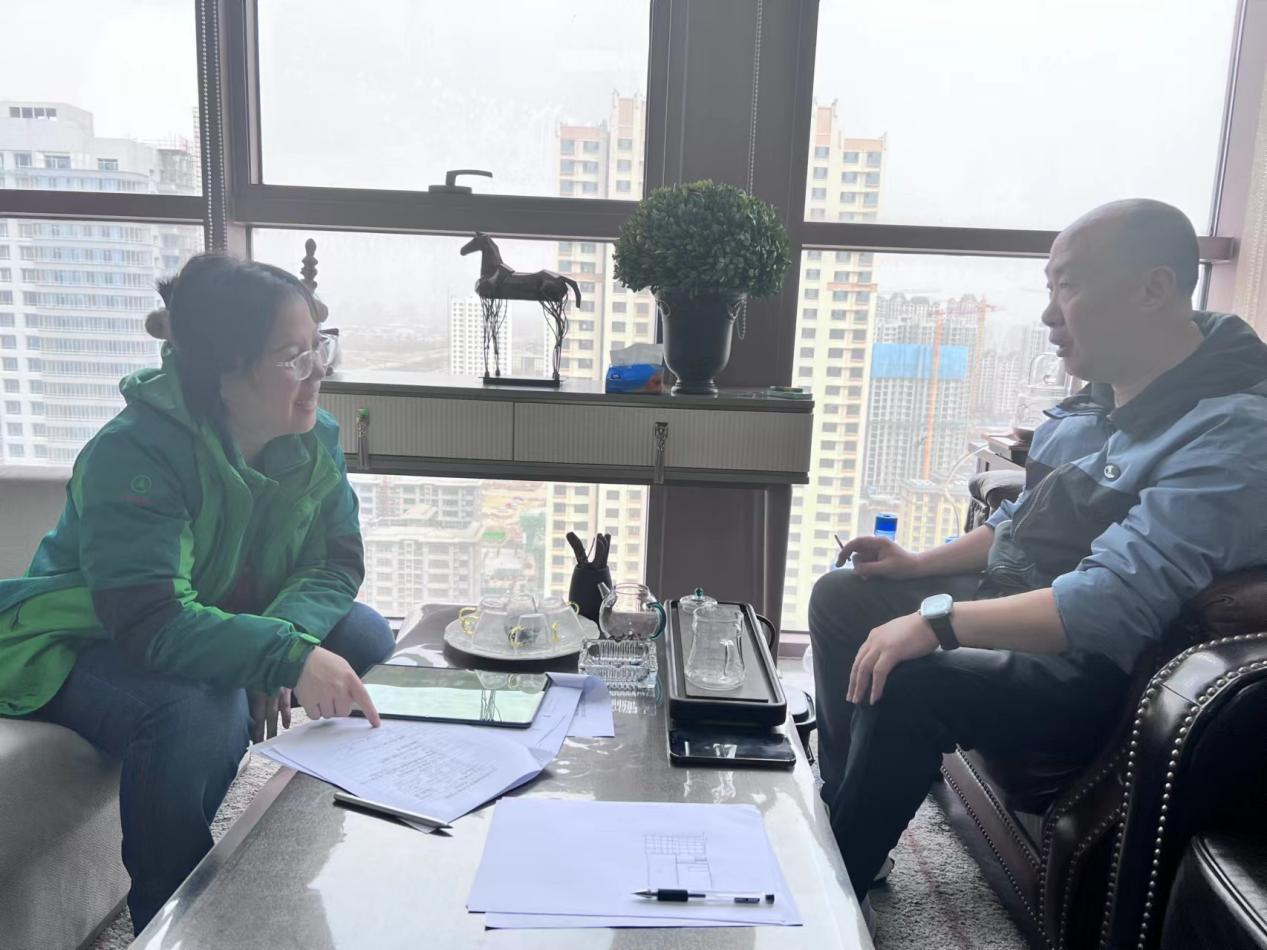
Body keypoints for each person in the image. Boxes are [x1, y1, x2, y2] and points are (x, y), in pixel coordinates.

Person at [808, 198, 1267, 900]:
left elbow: (1110, 605)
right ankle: (848, 821)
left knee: (911, 677)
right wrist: (914, 568)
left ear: (1153, 289)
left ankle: (827, 896)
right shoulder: (1101, 398)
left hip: (1090, 671)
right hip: (1023, 606)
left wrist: (937, 623)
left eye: (1069, 285)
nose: (1050, 314)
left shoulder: (1233, 435)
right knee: (844, 595)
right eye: (1048, 287)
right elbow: (1022, 520)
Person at [0, 253, 395, 933]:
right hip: (85, 636)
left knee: (362, 635)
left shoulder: (313, 438)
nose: (318, 372)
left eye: (319, 347)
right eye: (293, 357)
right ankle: (172, 921)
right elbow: (149, 619)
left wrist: (285, 643)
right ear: (222, 371)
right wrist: (281, 655)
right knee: (198, 713)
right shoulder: (135, 453)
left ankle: (317, 839)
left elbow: (335, 562)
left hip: (204, 610)